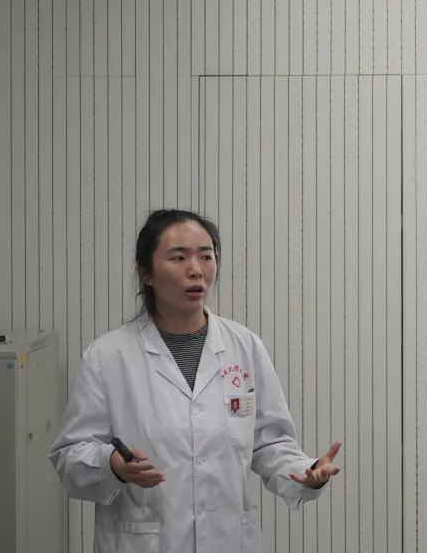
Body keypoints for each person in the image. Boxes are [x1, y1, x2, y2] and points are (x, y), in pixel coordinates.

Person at [49, 209, 340, 552]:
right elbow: (70, 457)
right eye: (178, 258)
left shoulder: (244, 346)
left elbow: (269, 443)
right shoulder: (108, 356)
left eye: (206, 256)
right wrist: (110, 465)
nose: (196, 270)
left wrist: (306, 471)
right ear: (146, 273)